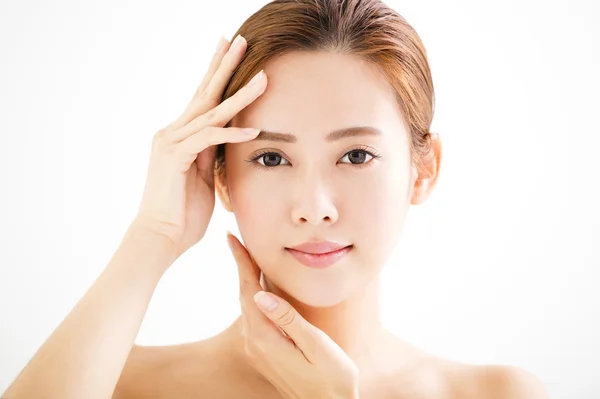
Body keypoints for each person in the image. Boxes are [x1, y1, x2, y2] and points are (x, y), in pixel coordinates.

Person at [2, 0, 550, 398]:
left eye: (356, 155)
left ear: (423, 168)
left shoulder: (497, 395)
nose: (314, 207)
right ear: (220, 176)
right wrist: (155, 234)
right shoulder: (119, 384)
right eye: (270, 158)